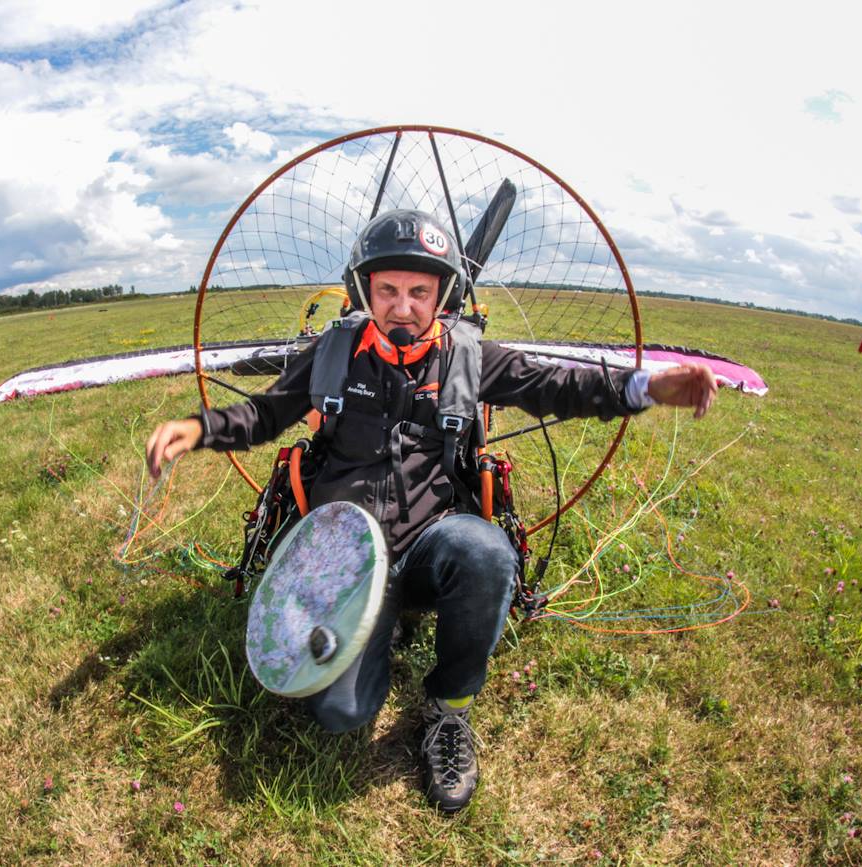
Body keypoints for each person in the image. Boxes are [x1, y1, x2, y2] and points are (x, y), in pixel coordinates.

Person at [145, 209, 716, 812]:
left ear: (441, 296)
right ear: (365, 291)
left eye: (419, 292)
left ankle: (449, 709)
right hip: (346, 557)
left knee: (485, 552)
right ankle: (375, 625)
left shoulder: (469, 357)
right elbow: (265, 413)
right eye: (387, 290)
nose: (402, 307)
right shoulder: (333, 352)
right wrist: (198, 428)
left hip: (429, 546)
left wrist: (644, 389)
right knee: (341, 714)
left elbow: (556, 385)